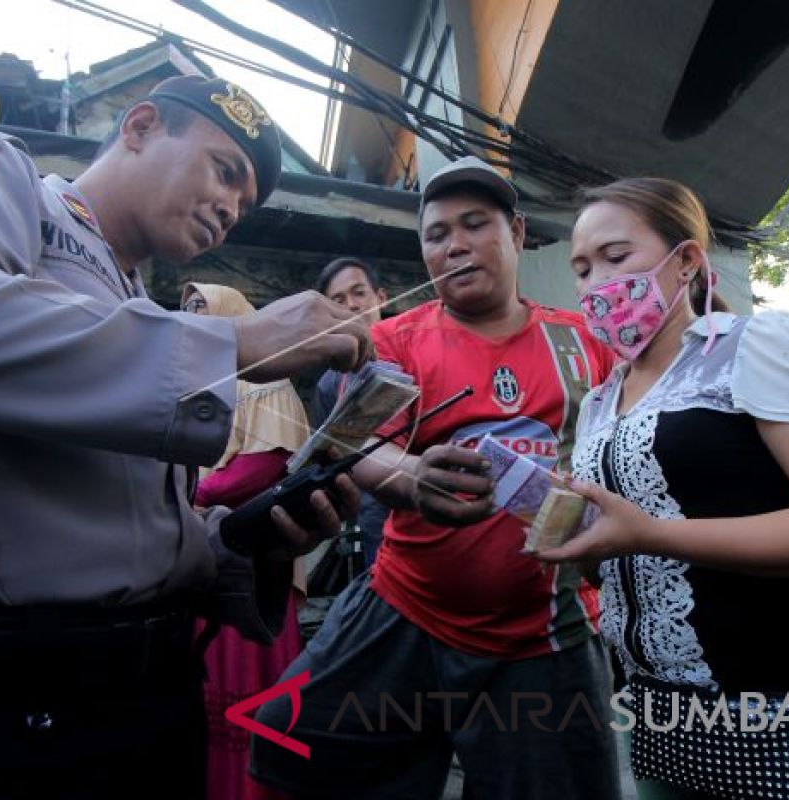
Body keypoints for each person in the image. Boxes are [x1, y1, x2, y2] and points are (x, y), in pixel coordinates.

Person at [0, 74, 370, 798]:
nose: (232, 207)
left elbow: (113, 530)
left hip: (140, 697)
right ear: (137, 127)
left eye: (246, 201)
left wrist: (239, 546)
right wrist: (227, 340)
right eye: (225, 171)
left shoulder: (138, 308)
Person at [251, 156, 621, 799]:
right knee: (285, 738)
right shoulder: (395, 341)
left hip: (544, 632)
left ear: (518, 233)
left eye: (476, 224)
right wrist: (409, 475)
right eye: (436, 233)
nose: (454, 244)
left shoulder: (586, 344)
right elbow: (356, 443)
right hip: (404, 611)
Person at [541, 176, 789, 799]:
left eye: (616, 256)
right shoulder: (601, 401)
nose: (595, 284)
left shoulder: (759, 348)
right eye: (580, 269)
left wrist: (652, 533)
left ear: (685, 261)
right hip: (661, 726)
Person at [183, 282, 308, 800]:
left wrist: (191, 491)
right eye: (185, 310)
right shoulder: (192, 384)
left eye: (202, 309)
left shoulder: (266, 375)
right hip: (197, 555)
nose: (192, 318)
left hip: (252, 564)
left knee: (250, 695)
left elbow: (268, 463)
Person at [310, 258, 391, 566]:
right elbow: (326, 458)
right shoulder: (330, 384)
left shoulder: (421, 352)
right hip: (376, 519)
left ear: (381, 297)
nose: (352, 306)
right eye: (338, 301)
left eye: (359, 293)